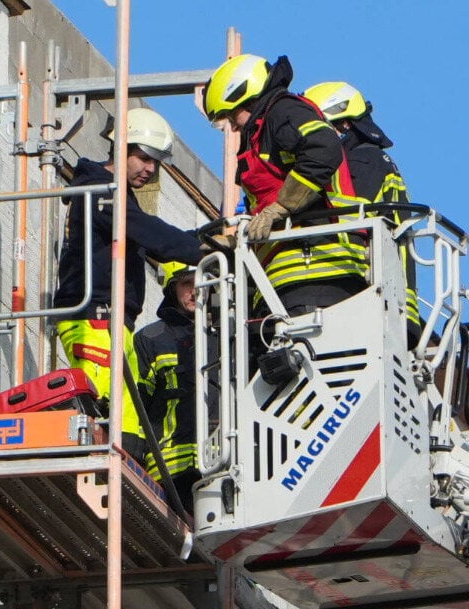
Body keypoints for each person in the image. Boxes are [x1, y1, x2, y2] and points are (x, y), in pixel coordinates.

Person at [52, 108, 204, 458]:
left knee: (129, 419)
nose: (150, 169)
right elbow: (151, 234)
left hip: (114, 320)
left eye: (156, 163)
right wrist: (206, 247)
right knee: (105, 409)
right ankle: (103, 472)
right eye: (144, 158)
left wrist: (198, 239)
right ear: (121, 148)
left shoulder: (116, 195)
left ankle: (124, 476)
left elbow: (152, 234)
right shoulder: (99, 189)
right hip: (92, 317)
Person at [202, 55, 369, 316]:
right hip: (289, 278)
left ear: (246, 96)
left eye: (230, 115)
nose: (232, 125)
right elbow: (266, 202)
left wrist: (281, 207)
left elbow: (323, 149)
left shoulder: (283, 111)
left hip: (320, 268)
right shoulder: (261, 132)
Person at [303, 81, 420, 345]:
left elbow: (347, 214)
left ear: (345, 125)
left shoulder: (362, 160)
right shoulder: (376, 159)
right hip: (389, 294)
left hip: (369, 290)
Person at [135, 262, 203, 514]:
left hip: (225, 465)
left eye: (201, 281)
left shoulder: (232, 334)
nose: (194, 291)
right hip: (169, 471)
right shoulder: (150, 339)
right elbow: (137, 404)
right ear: (173, 289)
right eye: (187, 284)